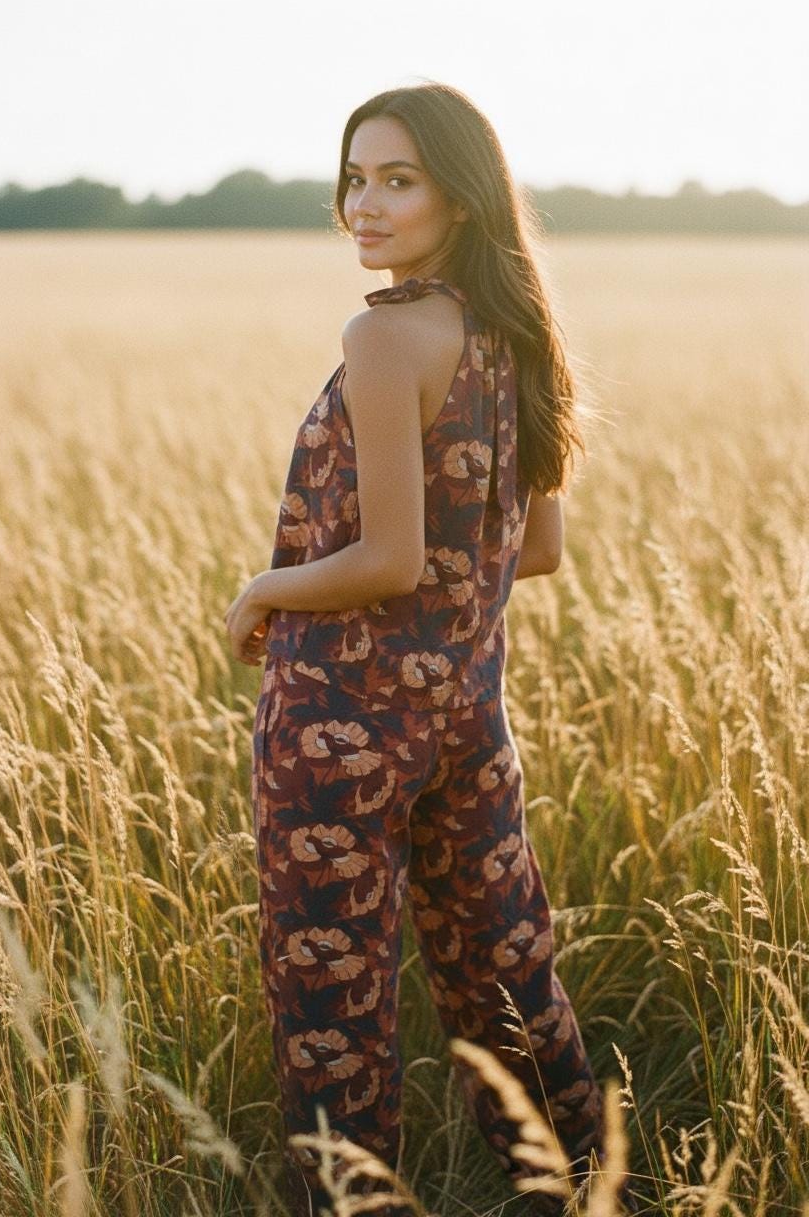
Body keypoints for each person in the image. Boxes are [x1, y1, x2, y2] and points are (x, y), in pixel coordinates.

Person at [225, 83, 644, 1217]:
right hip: (468, 720)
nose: (363, 205)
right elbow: (537, 552)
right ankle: (585, 1190)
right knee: (510, 984)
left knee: (333, 1018)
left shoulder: (383, 336)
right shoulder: (522, 336)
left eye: (396, 180)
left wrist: (264, 588)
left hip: (338, 730)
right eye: (354, 178)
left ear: (458, 196)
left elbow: (389, 559)